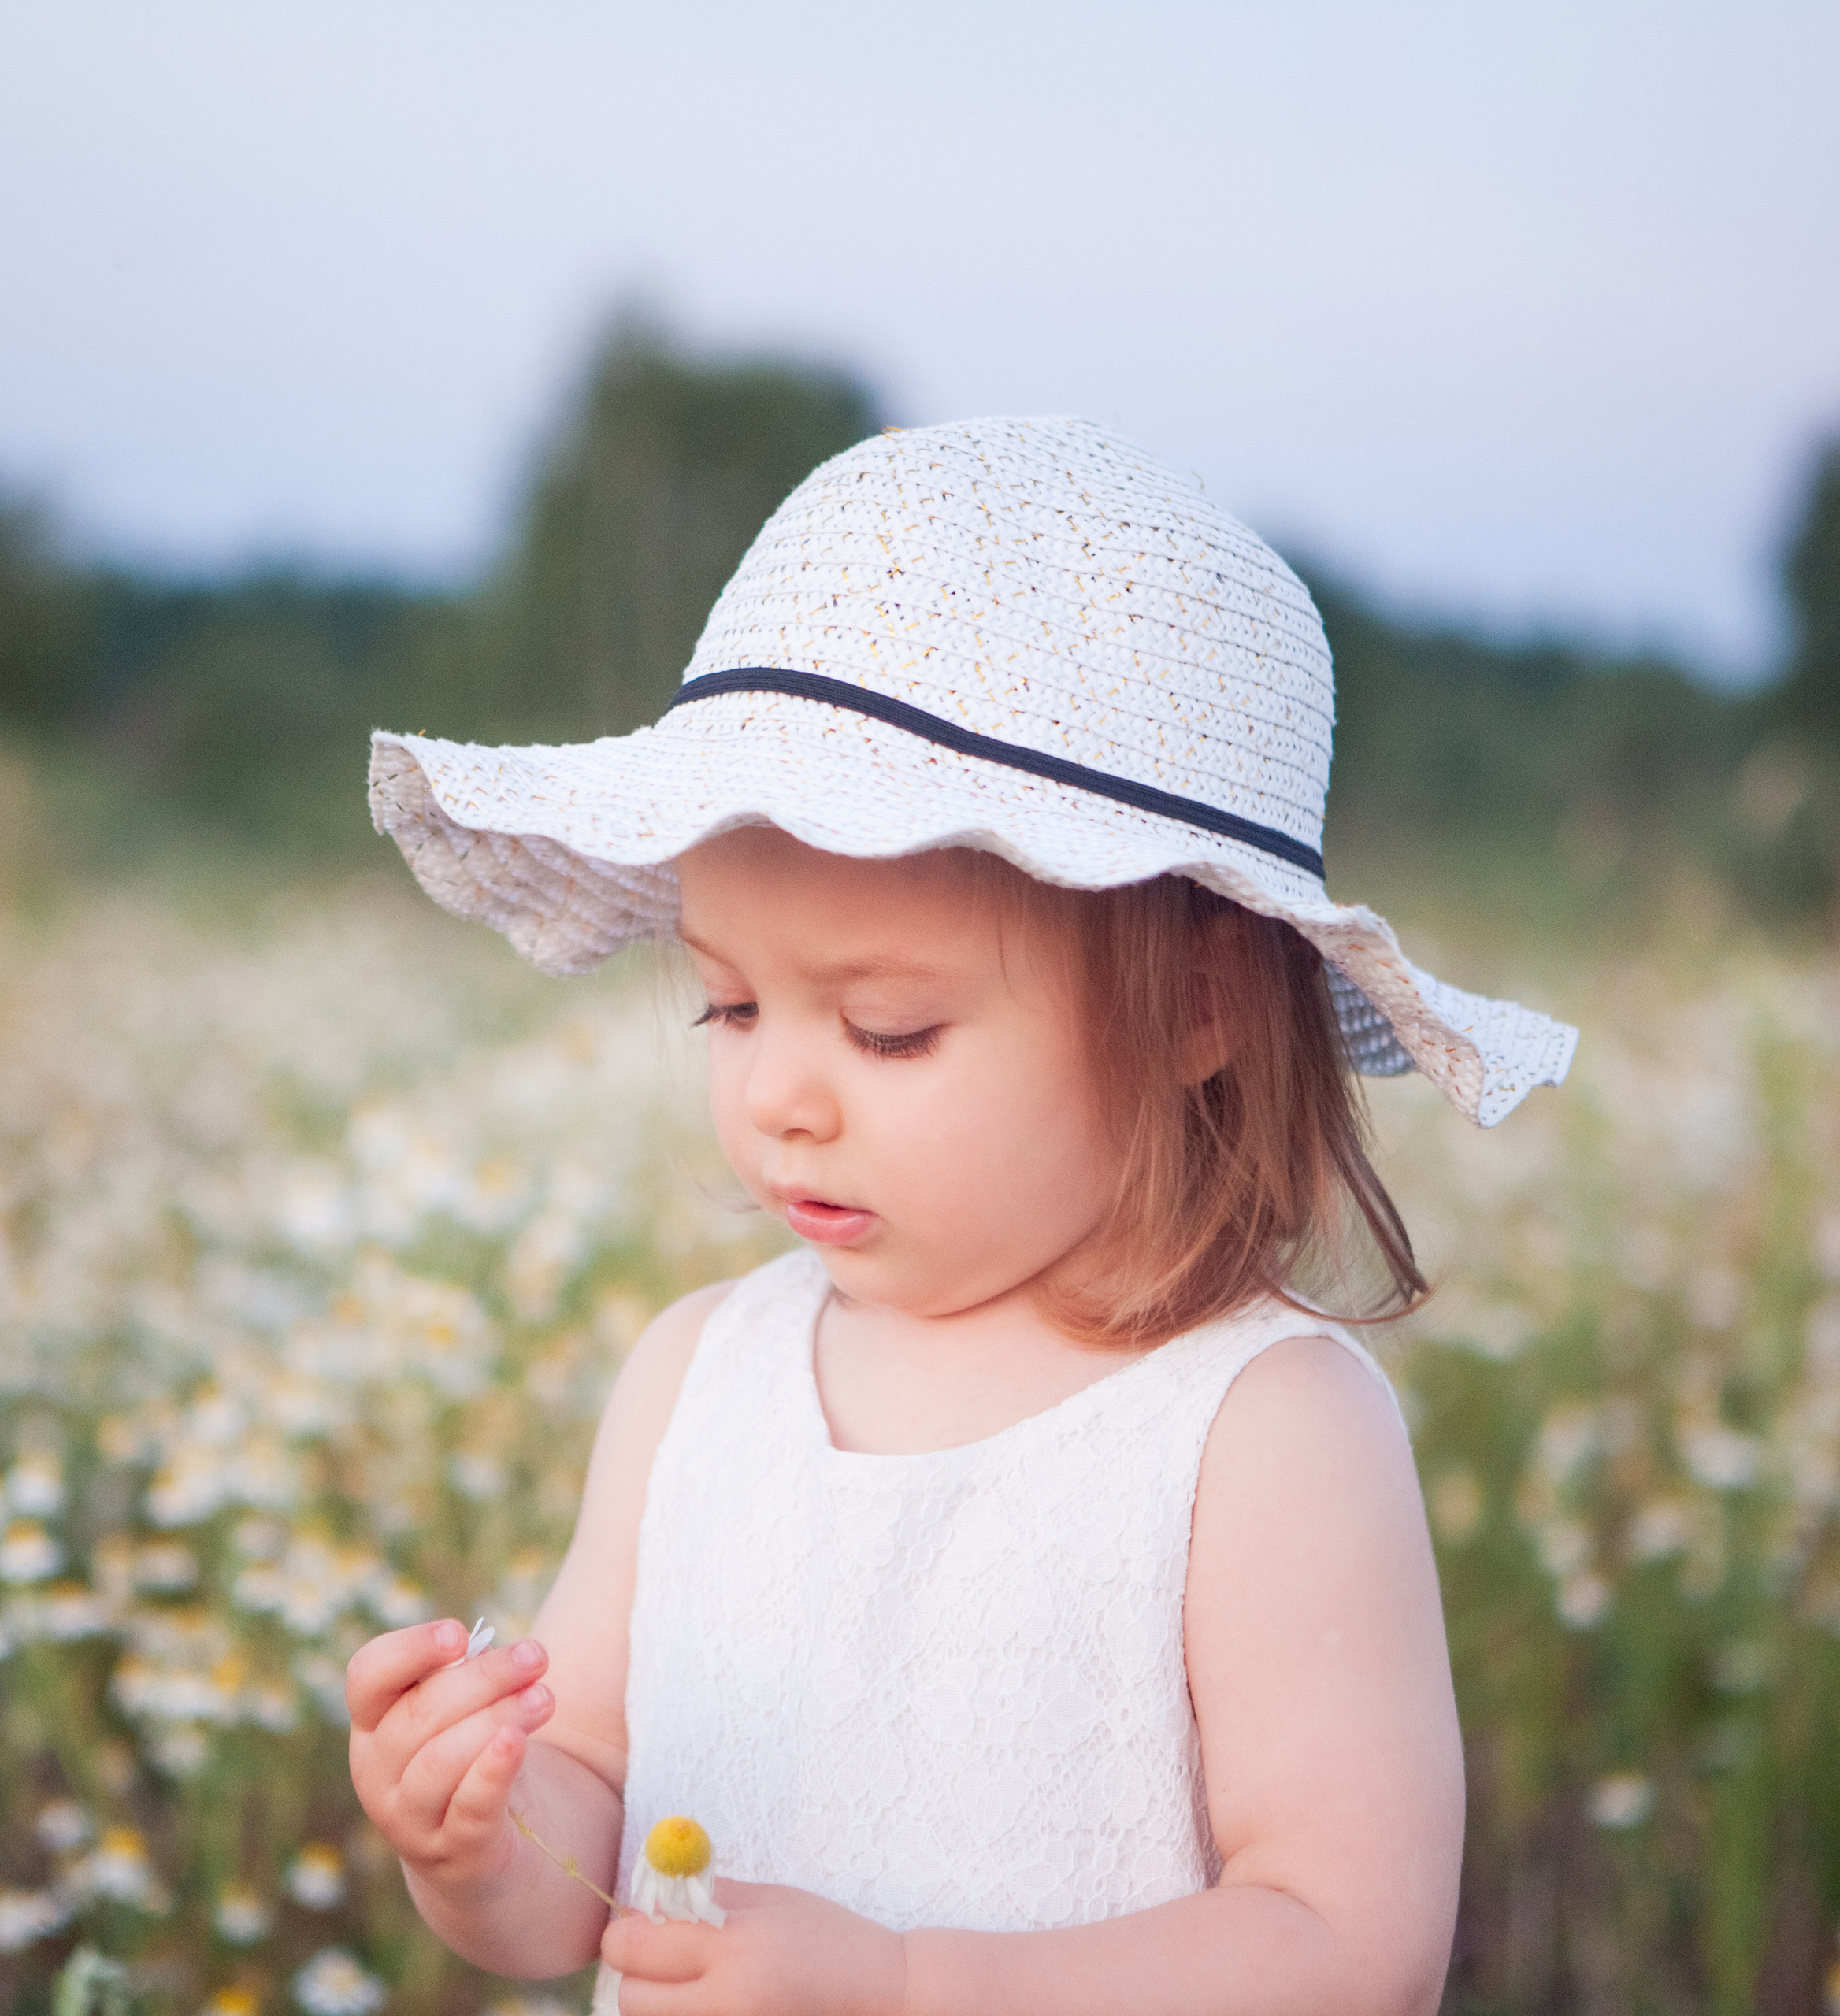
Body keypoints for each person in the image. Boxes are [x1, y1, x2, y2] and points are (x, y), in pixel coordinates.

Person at [345, 416, 1577, 2015]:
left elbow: (1349, 1946)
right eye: (729, 1006)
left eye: (889, 1030)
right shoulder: (695, 1379)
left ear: (1199, 1008)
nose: (780, 1095)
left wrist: (909, 1983)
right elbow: (589, 1818)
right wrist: (479, 1838)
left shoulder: (1261, 1429)